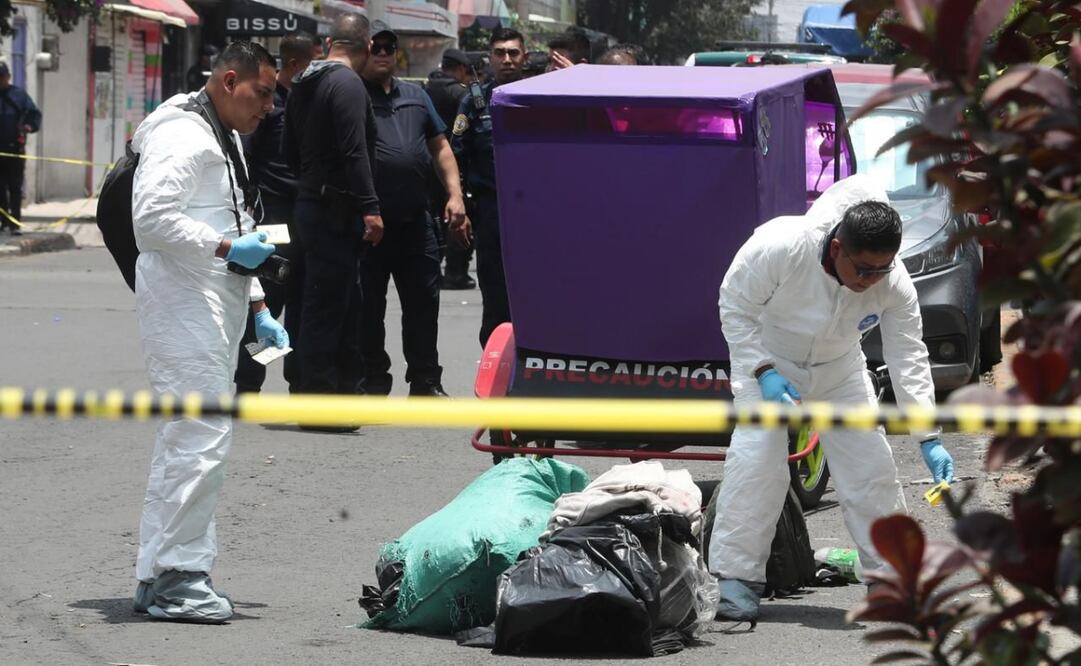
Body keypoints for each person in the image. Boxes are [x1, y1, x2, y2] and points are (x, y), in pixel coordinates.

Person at [709, 175, 955, 622]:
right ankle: (737, 579)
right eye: (864, 270)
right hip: (768, 362)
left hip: (841, 369)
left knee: (871, 469)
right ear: (837, 248)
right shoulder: (782, 245)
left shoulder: (891, 280)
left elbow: (908, 355)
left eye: (882, 269)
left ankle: (891, 581)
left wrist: (928, 436)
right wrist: (763, 371)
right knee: (758, 463)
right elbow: (735, 306)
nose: (871, 281)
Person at [131, 41, 285, 623]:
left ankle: (159, 573)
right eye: (262, 91)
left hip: (213, 300)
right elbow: (151, 218)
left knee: (187, 440)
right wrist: (226, 248)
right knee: (200, 437)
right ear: (228, 80)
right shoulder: (184, 135)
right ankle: (179, 578)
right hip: (183, 302)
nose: (269, 105)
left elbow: (233, 221)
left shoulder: (225, 137)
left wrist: (258, 303)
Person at [360, 22, 468, 397]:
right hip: (369, 223)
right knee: (367, 308)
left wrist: (454, 195)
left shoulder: (415, 95)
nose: (384, 53)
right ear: (363, 50)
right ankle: (374, 379)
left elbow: (440, 148)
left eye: (390, 47)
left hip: (415, 221)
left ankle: (425, 381)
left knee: (423, 305)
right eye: (376, 47)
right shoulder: (352, 94)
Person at [283, 14, 383, 412]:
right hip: (335, 210)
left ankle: (332, 390)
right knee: (331, 306)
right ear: (369, 46)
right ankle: (321, 396)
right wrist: (371, 207)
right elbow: (354, 150)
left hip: (309, 206)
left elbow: (288, 152)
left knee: (320, 301)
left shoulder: (303, 82)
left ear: (328, 43)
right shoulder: (347, 84)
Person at [233, 32, 318, 394]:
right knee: (269, 303)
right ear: (297, 65)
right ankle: (249, 385)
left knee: (303, 304)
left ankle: (298, 383)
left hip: (308, 214)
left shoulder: (309, 101)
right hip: (276, 216)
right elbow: (245, 156)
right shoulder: (268, 106)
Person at [452, 27, 526, 347]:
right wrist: (462, 208)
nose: (506, 60)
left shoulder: (541, 95)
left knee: (535, 291)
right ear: (490, 58)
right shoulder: (475, 100)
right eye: (500, 53)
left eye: (513, 53)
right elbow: (456, 155)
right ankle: (496, 365)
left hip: (535, 210)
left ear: (524, 57)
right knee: (495, 293)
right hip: (492, 211)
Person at [424, 48, 475, 290]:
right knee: (458, 218)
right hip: (454, 167)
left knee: (432, 219)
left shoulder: (423, 89)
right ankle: (456, 272)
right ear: (462, 69)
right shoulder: (461, 94)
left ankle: (431, 267)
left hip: (425, 167)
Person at [0, 61, 40, 234]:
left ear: (8, 77)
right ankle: (4, 222)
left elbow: (34, 115)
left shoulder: (18, 96)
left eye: (2, 77)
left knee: (15, 188)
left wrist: (29, 127)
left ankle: (15, 223)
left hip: (15, 150)